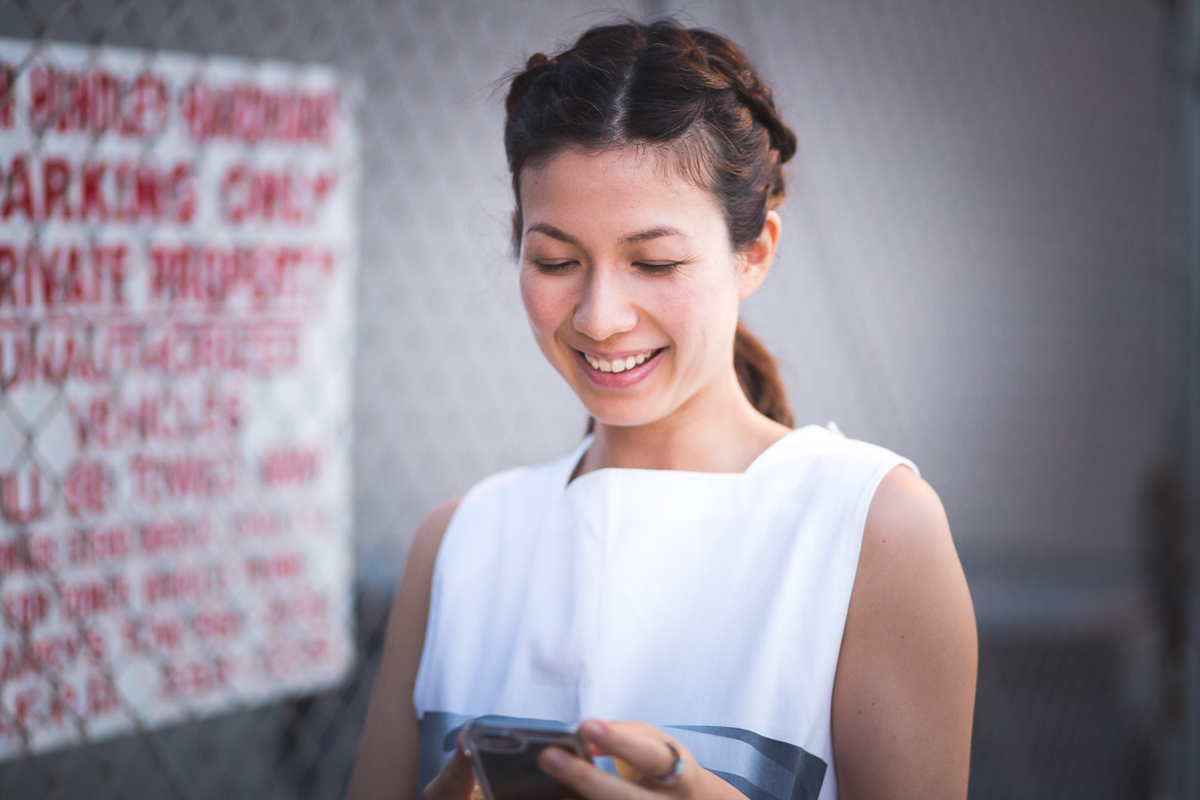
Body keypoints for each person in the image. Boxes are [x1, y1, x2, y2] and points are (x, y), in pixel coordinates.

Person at [348, 19, 977, 800]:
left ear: (755, 252)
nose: (600, 316)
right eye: (556, 261)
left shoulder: (872, 527)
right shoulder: (456, 543)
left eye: (654, 262)